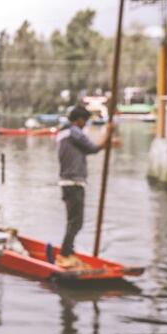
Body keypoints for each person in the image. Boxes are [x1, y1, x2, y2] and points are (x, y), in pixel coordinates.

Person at [55, 105, 114, 268]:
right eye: (85, 121)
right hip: (73, 182)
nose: (85, 124)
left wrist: (108, 141)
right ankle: (65, 254)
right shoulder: (73, 132)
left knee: (73, 220)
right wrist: (107, 133)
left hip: (67, 182)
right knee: (76, 221)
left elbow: (87, 150)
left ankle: (69, 251)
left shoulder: (64, 132)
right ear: (79, 120)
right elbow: (93, 148)